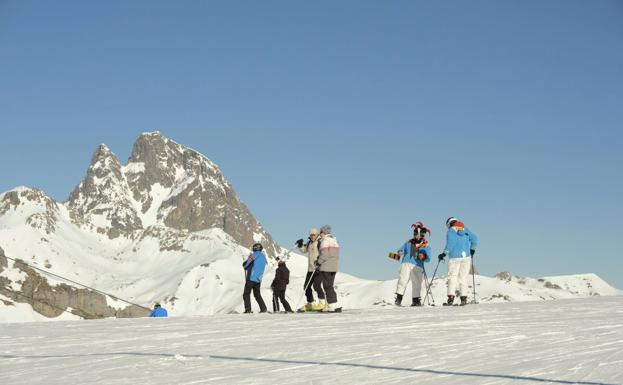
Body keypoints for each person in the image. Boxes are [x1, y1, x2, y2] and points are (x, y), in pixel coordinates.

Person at [438, 217, 478, 306]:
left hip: (454, 257)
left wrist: (444, 253)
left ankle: (450, 299)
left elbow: (450, 243)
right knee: (463, 277)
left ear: (449, 224)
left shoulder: (451, 231)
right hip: (466, 257)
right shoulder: (465, 229)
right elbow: (475, 239)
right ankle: (463, 299)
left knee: (452, 277)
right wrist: (472, 249)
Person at [394, 222, 432, 307]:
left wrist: (424, 256)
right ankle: (398, 299)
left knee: (417, 282)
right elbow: (402, 249)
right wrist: (400, 252)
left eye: (419, 234)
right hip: (406, 263)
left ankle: (416, 300)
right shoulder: (409, 242)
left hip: (417, 265)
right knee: (403, 280)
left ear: (423, 234)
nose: (417, 236)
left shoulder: (425, 244)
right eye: (416, 234)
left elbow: (428, 256)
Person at [295, 228, 325, 311]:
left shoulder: (320, 242)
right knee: (306, 286)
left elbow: (324, 253)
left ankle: (322, 302)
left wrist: (320, 262)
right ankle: (311, 303)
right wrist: (300, 245)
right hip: (310, 268)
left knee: (317, 285)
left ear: (317, 235)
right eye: (311, 235)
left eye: (313, 235)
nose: (312, 236)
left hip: (319, 268)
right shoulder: (309, 243)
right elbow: (304, 250)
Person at [315, 224, 342, 312]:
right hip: (334, 267)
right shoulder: (334, 241)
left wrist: (318, 262)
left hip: (326, 266)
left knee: (327, 286)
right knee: (329, 285)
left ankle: (331, 305)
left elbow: (324, 255)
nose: (320, 234)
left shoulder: (325, 241)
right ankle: (329, 304)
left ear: (324, 232)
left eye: (321, 232)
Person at [242, 243, 268, 313]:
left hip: (251, 277)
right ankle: (263, 309)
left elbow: (246, 264)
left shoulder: (254, 255)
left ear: (255, 248)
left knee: (246, 294)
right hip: (258, 279)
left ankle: (248, 309)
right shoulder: (263, 257)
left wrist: (244, 264)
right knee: (257, 295)